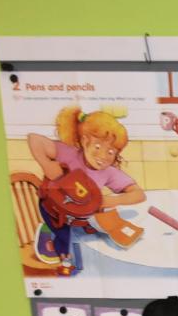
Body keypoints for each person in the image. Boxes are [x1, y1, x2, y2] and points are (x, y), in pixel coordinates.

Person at [26, 106, 145, 269]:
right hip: (54, 208)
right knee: (65, 241)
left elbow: (139, 195)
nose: (103, 156)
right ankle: (58, 246)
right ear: (84, 140)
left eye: (111, 152)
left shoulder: (108, 172)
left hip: (81, 214)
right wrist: (46, 164)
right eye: (97, 147)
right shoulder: (67, 153)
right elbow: (33, 138)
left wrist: (106, 201)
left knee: (106, 234)